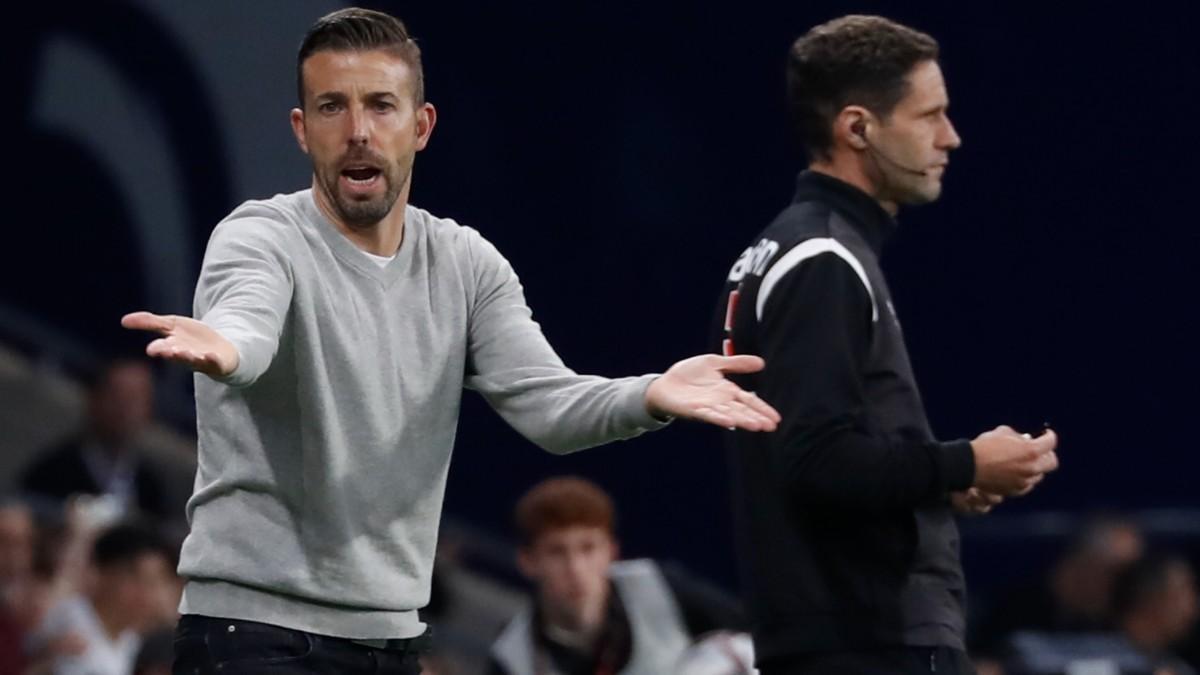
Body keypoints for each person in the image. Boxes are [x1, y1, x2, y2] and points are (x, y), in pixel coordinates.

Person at [120, 8, 780, 674]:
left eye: (381, 106)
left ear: (421, 125)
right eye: (332, 106)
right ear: (302, 129)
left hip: (391, 642)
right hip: (253, 635)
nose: (357, 130)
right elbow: (249, 322)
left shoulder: (467, 265)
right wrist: (229, 349)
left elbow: (549, 404)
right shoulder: (258, 236)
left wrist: (652, 393)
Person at [711, 15, 1060, 674]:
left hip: (834, 633)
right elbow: (817, 457)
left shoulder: (785, 250)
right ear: (857, 128)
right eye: (929, 115)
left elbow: (815, 454)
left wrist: (941, 482)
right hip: (870, 638)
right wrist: (963, 463)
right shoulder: (822, 259)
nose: (950, 136)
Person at [488, 477, 748, 675]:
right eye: (557, 552)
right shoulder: (511, 659)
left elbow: (755, 635)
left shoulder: (659, 585)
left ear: (611, 552)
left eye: (588, 548)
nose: (575, 568)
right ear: (528, 562)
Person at [20, 360, 170, 521]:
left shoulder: (149, 486)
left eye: (134, 400)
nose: (124, 409)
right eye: (116, 396)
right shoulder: (56, 469)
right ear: (94, 398)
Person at [26, 522, 176, 675]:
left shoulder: (132, 643)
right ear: (104, 573)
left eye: (154, 583)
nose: (148, 595)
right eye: (138, 579)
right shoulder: (68, 622)